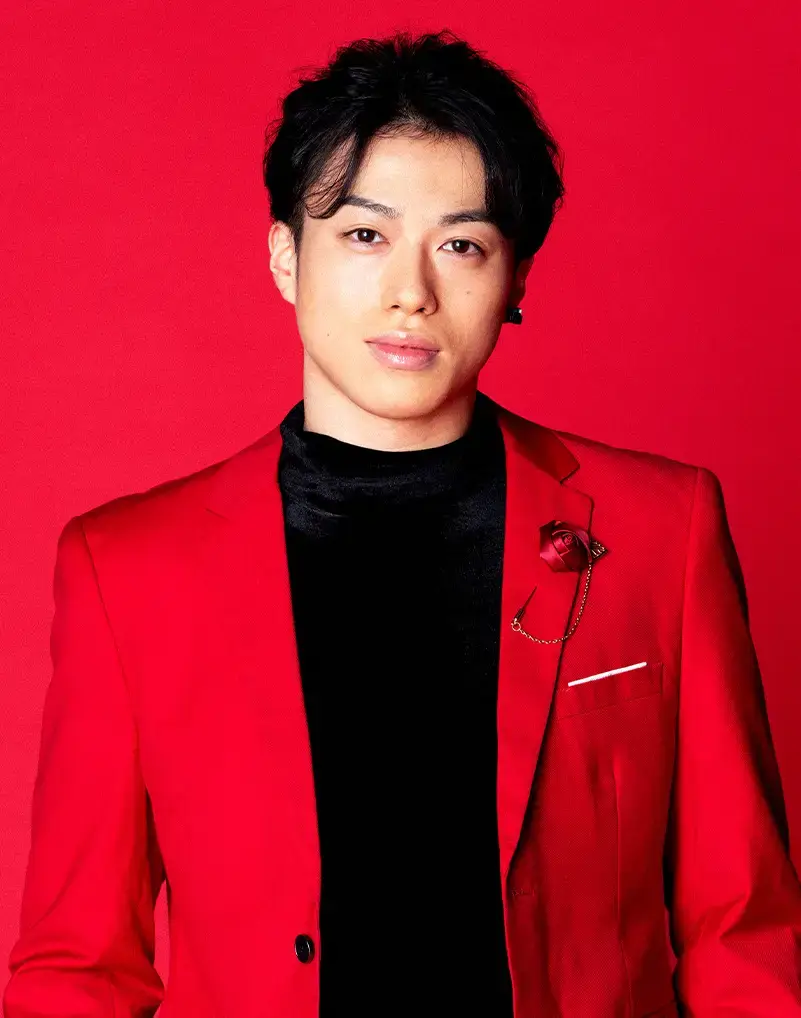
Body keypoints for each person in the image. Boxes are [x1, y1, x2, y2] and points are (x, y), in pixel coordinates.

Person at [4, 27, 801, 1018]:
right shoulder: (126, 567)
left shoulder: (662, 530)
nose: (411, 293)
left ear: (515, 280)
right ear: (286, 257)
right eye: (364, 235)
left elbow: (743, 932)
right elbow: (78, 968)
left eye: (461, 245)